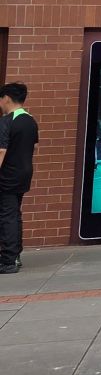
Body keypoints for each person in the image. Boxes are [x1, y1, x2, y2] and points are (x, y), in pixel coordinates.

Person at [0, 82, 39, 274]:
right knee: (14, 214)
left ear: (6, 98)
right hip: (24, 173)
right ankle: (14, 255)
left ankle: (7, 261)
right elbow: (34, 147)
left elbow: (1, 151)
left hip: (7, 175)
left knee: (7, 215)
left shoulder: (7, 121)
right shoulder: (30, 120)